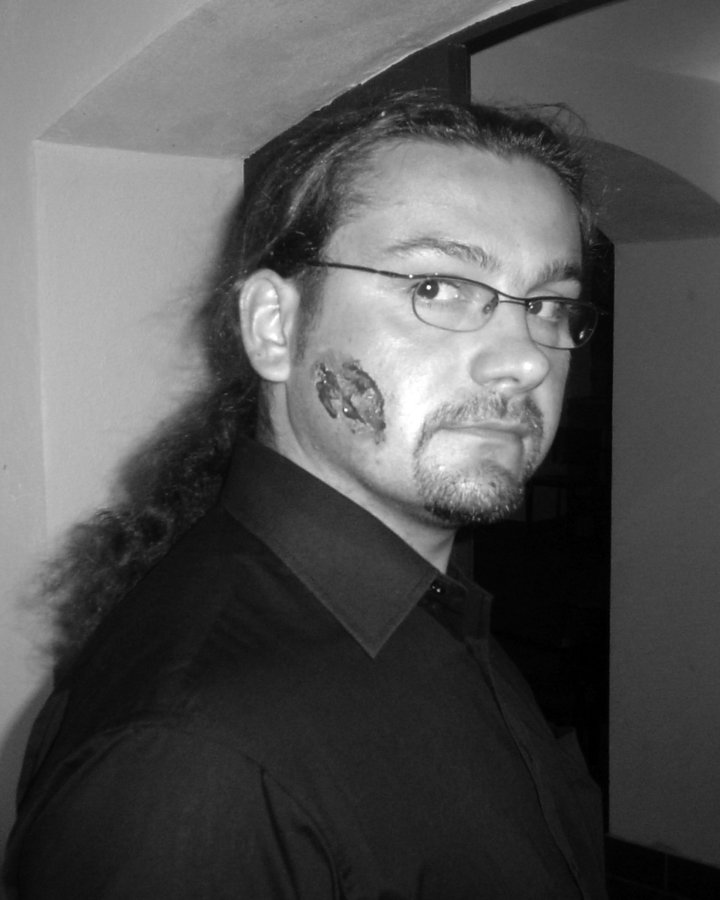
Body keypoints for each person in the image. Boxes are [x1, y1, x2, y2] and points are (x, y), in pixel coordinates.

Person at [4, 91, 607, 898]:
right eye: (438, 287)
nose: (526, 359)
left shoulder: (432, 612)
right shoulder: (191, 758)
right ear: (275, 327)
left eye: (549, 306)